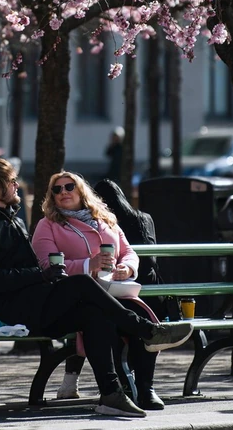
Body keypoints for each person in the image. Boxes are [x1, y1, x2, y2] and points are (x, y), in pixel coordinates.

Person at [0, 159, 193, 418]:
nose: (16, 186)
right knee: (82, 282)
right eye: (11, 181)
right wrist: (41, 273)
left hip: (34, 301)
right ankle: (147, 330)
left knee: (95, 314)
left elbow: (127, 251)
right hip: (13, 309)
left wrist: (44, 275)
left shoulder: (8, 219)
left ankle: (111, 394)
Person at [32, 172, 166, 410]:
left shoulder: (106, 219)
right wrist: (87, 265)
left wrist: (128, 267)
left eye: (69, 186)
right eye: (57, 189)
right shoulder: (48, 225)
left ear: (81, 191)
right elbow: (46, 265)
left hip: (116, 289)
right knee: (108, 320)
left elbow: (128, 251)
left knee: (141, 316)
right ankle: (124, 387)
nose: (63, 192)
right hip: (78, 299)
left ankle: (146, 389)